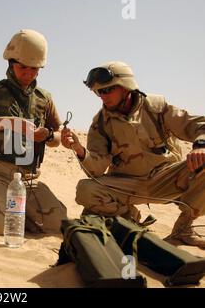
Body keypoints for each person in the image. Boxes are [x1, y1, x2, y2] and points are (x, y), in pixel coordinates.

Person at [61, 61, 205, 248]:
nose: (103, 96)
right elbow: (96, 170)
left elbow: (198, 126)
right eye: (99, 92)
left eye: (108, 90)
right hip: (127, 184)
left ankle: (183, 229)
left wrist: (201, 146)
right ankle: (130, 218)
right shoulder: (101, 123)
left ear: (126, 87)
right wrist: (79, 150)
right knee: (86, 190)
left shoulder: (156, 107)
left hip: (167, 178)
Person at [0, 29, 67, 235]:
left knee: (58, 223)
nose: (28, 73)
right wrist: (7, 123)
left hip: (28, 179)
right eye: (22, 67)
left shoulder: (45, 99)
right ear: (11, 64)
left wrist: (47, 136)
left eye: (34, 69)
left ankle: (20, 212)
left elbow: (58, 138)